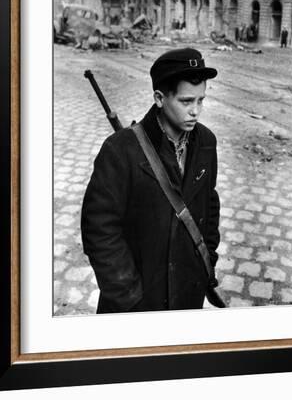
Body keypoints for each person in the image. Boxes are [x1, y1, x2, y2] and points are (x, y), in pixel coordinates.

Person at [81, 48, 221, 313]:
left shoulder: (206, 142)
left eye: (201, 101)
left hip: (187, 293)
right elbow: (99, 228)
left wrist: (207, 259)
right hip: (141, 300)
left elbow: (209, 205)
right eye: (186, 101)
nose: (195, 111)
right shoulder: (120, 149)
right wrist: (127, 295)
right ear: (159, 98)